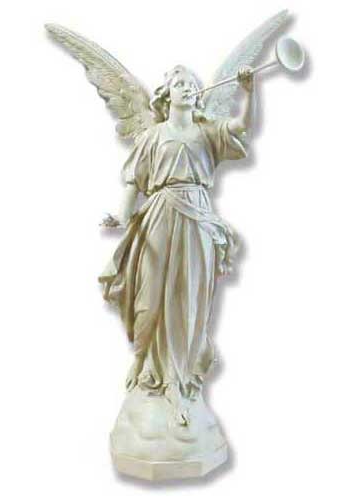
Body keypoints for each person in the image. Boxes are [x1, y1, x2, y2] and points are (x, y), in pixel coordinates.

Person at [99, 64, 255, 424]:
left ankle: (178, 381)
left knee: (189, 298)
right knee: (149, 294)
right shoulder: (153, 136)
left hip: (196, 217)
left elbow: (240, 126)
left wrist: (249, 92)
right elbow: (134, 182)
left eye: (191, 84)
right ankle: (143, 363)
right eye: (180, 83)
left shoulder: (205, 131)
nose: (187, 87)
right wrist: (121, 217)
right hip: (159, 214)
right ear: (166, 94)